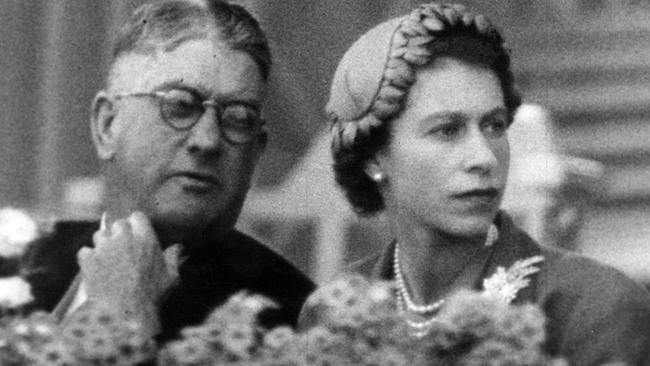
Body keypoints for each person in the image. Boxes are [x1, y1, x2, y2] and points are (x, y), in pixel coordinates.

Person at [311, 2, 650, 365]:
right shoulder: (336, 311)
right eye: (446, 130)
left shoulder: (592, 306)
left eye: (494, 126)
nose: (484, 158)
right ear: (375, 158)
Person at [21, 0, 314, 342]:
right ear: (107, 125)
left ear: (256, 152)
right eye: (180, 105)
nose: (207, 141)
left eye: (237, 118)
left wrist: (125, 321)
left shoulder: (293, 321)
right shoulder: (16, 262)